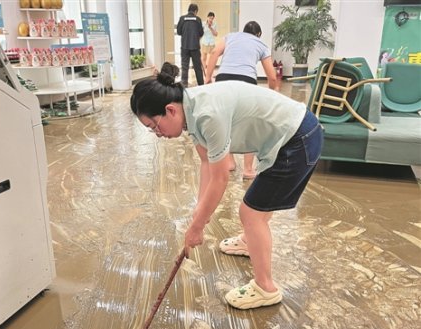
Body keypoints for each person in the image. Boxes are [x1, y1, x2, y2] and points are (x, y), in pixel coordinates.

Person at [130, 63, 323, 310]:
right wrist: (200, 211)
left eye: (154, 126)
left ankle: (265, 288)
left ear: (170, 110)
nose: (157, 134)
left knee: (251, 213)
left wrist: (197, 227)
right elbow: (206, 163)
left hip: (297, 139)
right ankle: (250, 241)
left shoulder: (207, 115)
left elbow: (220, 177)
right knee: (259, 205)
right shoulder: (190, 108)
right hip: (287, 136)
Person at [205, 21, 278, 180]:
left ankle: (229, 162)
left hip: (223, 78)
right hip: (247, 81)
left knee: (226, 121)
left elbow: (215, 52)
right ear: (258, 34)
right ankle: (248, 169)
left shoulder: (230, 37)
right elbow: (272, 77)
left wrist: (208, 77)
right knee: (249, 124)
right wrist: (273, 92)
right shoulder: (260, 44)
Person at [176, 4, 204, 87]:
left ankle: (184, 86)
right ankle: (201, 85)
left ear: (188, 10)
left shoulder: (182, 18)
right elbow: (201, 33)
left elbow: (178, 32)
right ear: (195, 11)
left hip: (184, 47)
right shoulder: (198, 19)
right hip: (195, 47)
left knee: (184, 67)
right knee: (197, 68)